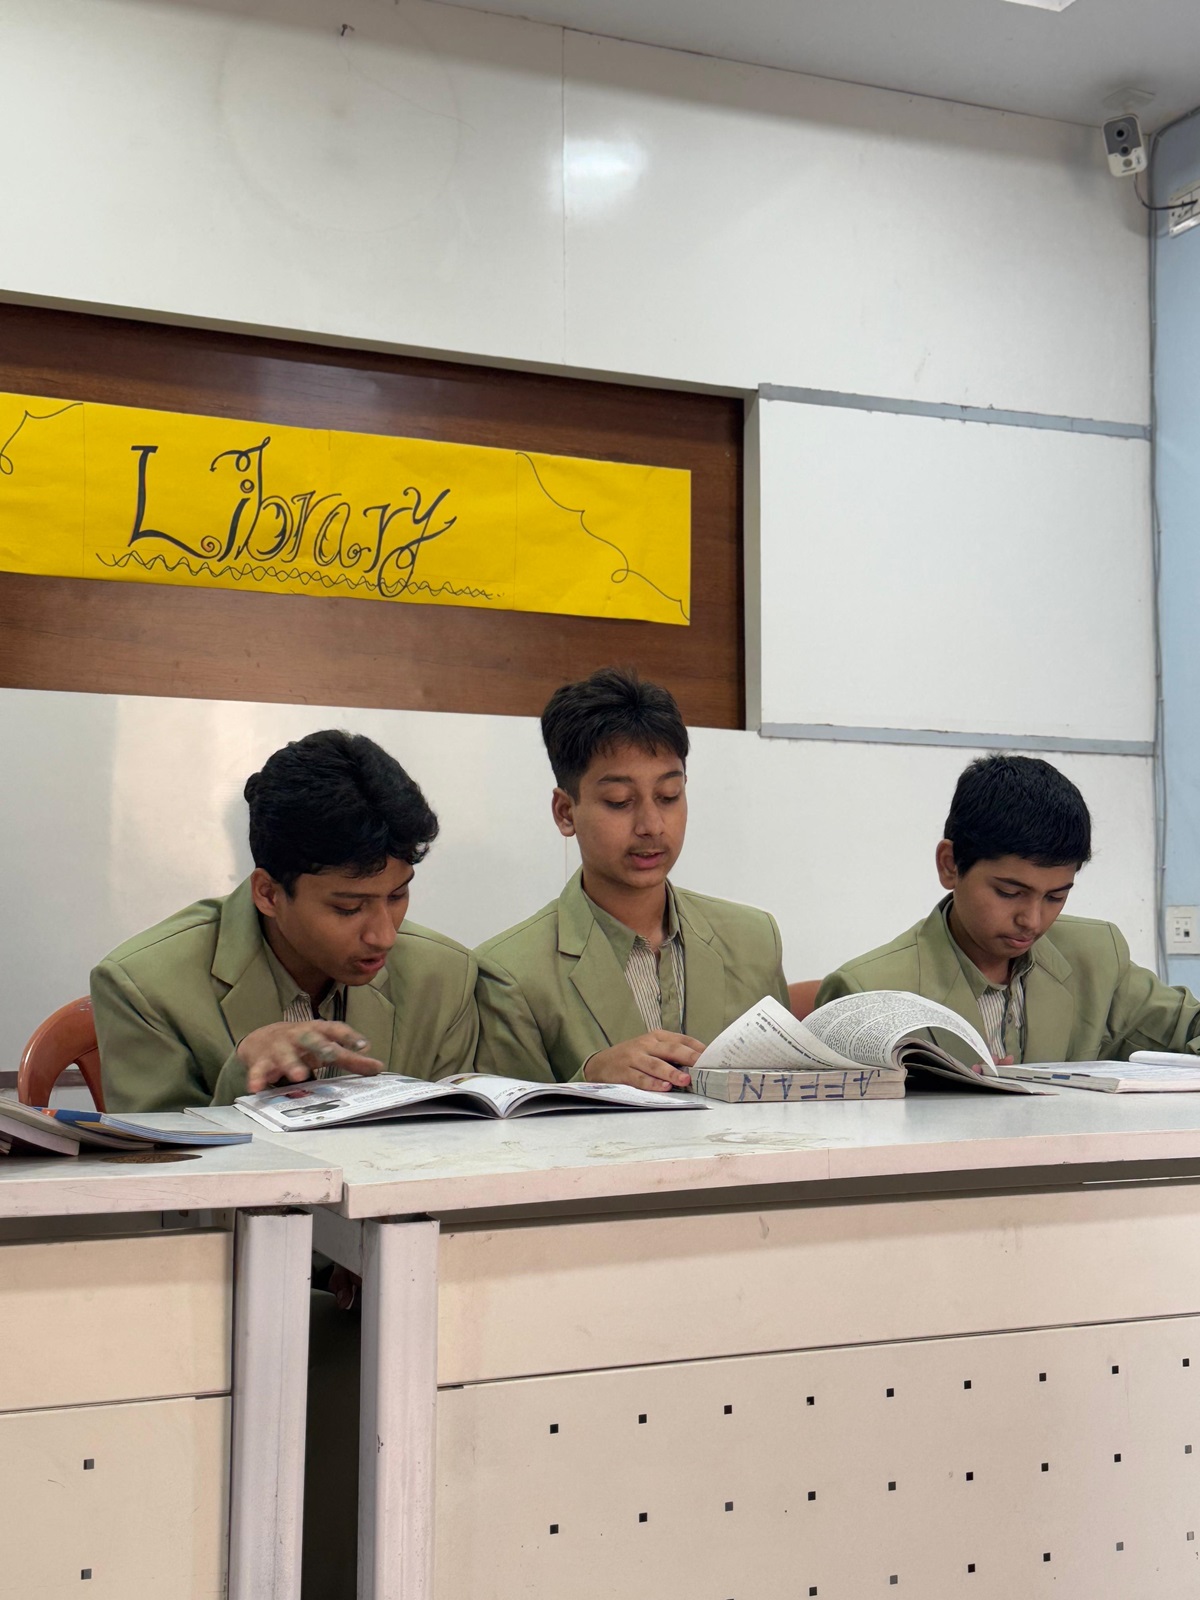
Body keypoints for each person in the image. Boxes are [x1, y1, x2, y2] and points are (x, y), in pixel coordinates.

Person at [93, 728, 478, 1111]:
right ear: (268, 894)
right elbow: (155, 1148)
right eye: (348, 907)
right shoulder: (145, 987)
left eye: (397, 896)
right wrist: (242, 1075)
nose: (384, 936)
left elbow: (460, 1134)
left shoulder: (443, 977)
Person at [474, 666, 789, 1087]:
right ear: (565, 812)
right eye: (619, 801)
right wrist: (587, 1079)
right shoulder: (511, 972)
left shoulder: (753, 940)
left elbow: (785, 1097)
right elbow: (504, 1117)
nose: (652, 825)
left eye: (668, 796)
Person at [817, 753, 1200, 1064]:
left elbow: (1189, 1029)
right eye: (1009, 892)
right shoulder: (867, 991)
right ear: (950, 865)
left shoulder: (1097, 959)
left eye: (1055, 897)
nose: (1032, 921)